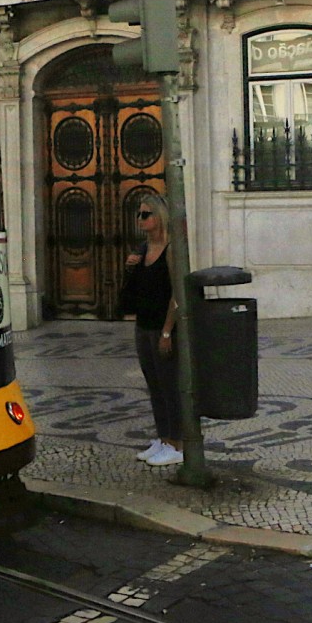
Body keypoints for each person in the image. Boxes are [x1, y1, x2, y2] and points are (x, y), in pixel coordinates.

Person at [119, 194, 183, 467]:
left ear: (160, 216)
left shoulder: (171, 249)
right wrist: (130, 268)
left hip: (162, 327)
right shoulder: (143, 249)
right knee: (154, 385)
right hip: (143, 324)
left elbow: (177, 294)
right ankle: (163, 438)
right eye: (139, 214)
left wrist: (167, 332)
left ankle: (177, 444)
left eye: (146, 214)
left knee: (169, 386)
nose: (140, 219)